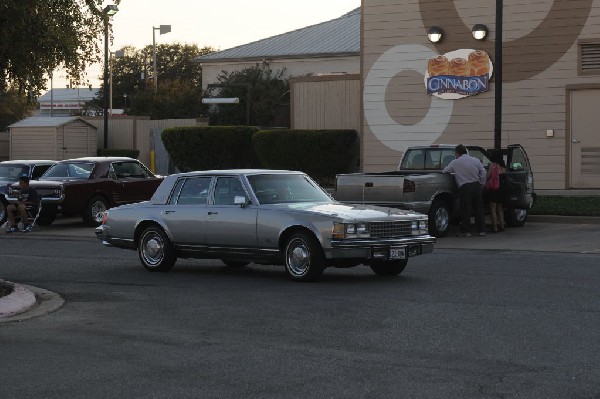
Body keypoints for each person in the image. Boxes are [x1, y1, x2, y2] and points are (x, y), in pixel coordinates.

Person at [442, 144, 487, 237]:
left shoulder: (455, 162)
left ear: (457, 153)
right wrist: (481, 183)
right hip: (476, 185)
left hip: (465, 188)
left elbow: (445, 171)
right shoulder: (475, 160)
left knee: (465, 210)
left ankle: (466, 231)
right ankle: (481, 230)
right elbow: (483, 172)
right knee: (479, 209)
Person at [485, 149, 507, 232]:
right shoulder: (503, 166)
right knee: (500, 208)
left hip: (494, 189)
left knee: (492, 208)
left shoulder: (492, 165)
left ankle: (494, 227)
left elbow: (487, 176)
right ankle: (502, 225)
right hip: (502, 189)